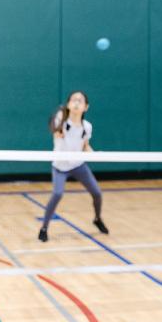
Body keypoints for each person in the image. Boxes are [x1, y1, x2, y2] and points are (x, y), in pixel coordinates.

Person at [38, 91, 108, 242]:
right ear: (69, 104)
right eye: (73, 100)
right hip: (60, 166)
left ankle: (97, 218)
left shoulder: (87, 127)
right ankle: (44, 228)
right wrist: (58, 130)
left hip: (78, 165)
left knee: (97, 193)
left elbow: (86, 146)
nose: (76, 102)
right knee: (57, 194)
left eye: (80, 100)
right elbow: (56, 131)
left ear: (86, 107)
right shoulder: (61, 121)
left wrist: (95, 154)